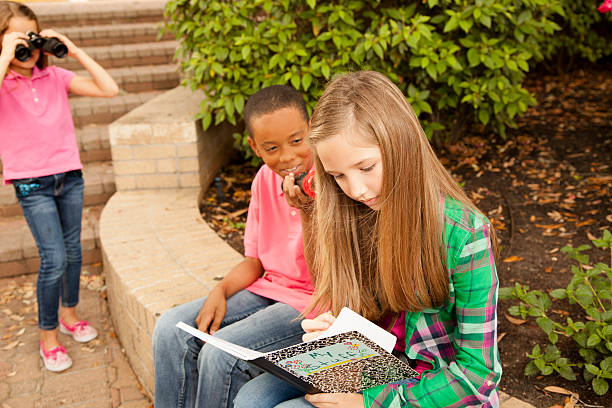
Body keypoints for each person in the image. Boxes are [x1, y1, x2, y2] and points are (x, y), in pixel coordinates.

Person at [234, 70, 502, 408]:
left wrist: (371, 402)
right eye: (338, 175)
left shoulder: (463, 233)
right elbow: (367, 315)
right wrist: (336, 332)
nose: (356, 190)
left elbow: (478, 376)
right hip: (379, 365)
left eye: (366, 167)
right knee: (253, 397)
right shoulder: (352, 211)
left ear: (399, 142)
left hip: (435, 385)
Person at [152, 84, 316, 408]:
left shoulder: (332, 180)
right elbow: (255, 261)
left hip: (313, 304)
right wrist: (221, 290)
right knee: (171, 329)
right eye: (272, 148)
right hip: (269, 289)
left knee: (221, 352)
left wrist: (311, 211)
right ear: (256, 148)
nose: (287, 156)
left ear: (311, 129)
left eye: (297, 141)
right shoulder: (264, 180)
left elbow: (333, 275)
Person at [0, 1, 119, 373]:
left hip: (69, 175)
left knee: (73, 252)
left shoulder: (54, 78)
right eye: (18, 38)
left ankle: (69, 315)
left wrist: (72, 48)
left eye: (31, 38)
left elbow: (110, 89)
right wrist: (6, 53)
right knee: (53, 259)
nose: (28, 48)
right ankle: (48, 337)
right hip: (31, 182)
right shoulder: (5, 82)